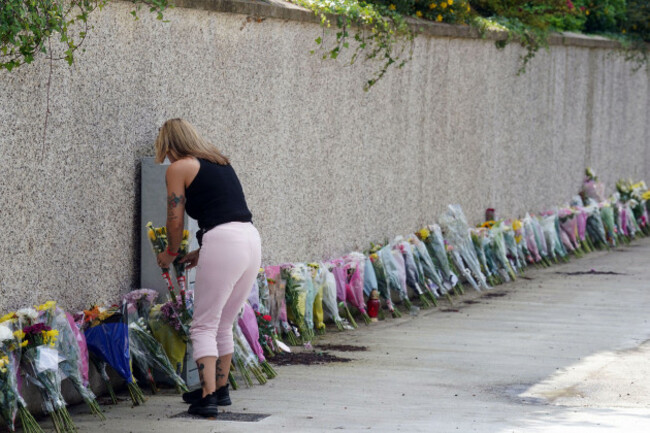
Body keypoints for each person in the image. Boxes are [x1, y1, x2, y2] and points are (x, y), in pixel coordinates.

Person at [154, 118, 261, 418]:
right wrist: (203, 252)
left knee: (202, 325)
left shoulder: (180, 167)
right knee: (223, 322)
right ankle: (220, 389)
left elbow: (174, 219)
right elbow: (228, 209)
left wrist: (171, 251)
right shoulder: (220, 162)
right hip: (250, 239)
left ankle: (207, 396)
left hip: (224, 241)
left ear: (168, 144)